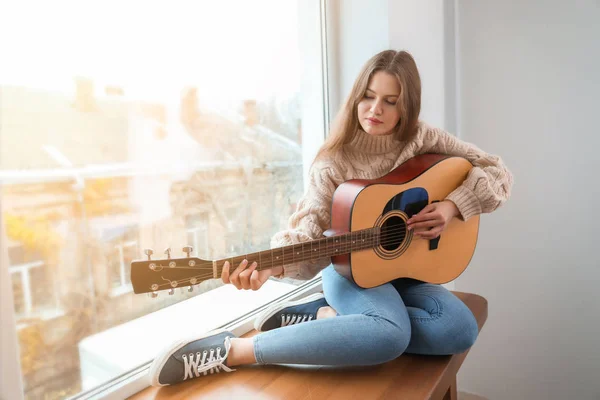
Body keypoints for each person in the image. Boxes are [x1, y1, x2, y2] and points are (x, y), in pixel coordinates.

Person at [148, 50, 513, 387]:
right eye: (368, 96)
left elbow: (496, 169)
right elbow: (309, 228)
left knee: (459, 329)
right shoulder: (333, 161)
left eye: (391, 101)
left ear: (408, 106)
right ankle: (234, 351)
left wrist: (453, 205)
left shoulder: (421, 138)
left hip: (408, 271)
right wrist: (271, 267)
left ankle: (329, 320)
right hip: (348, 273)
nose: (375, 109)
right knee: (389, 335)